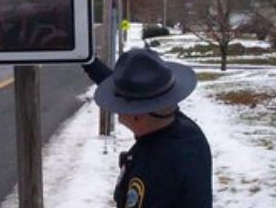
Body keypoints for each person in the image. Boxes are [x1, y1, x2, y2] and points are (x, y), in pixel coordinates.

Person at [83, 49, 212, 208]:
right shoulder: (183, 129)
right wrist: (87, 60)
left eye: (121, 104)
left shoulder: (155, 169)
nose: (116, 107)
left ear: (137, 114)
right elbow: (123, 87)